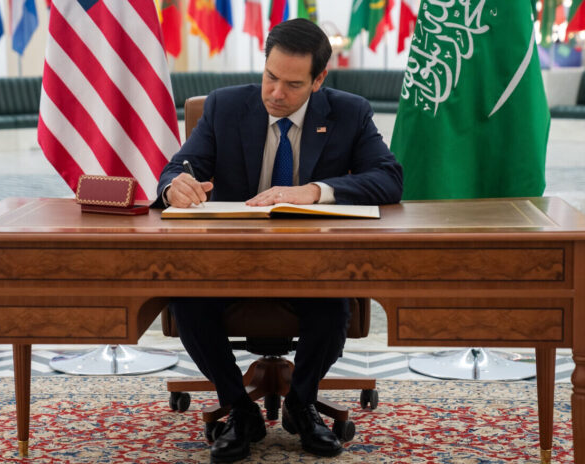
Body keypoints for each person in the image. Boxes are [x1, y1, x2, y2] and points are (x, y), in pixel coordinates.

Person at [155, 18, 403, 463]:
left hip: (312, 264)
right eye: (270, 76)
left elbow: (389, 178)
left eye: (292, 84)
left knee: (332, 304)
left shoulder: (349, 112)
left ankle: (302, 404)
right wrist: (175, 184)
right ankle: (241, 408)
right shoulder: (225, 107)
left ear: (319, 79)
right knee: (186, 300)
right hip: (229, 260)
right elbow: (179, 166)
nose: (275, 93)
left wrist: (314, 191)